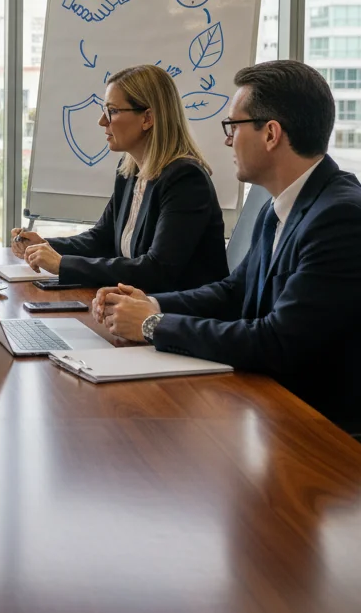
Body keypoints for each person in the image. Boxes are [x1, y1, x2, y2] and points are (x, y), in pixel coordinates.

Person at [94, 60, 361, 435]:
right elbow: (235, 291)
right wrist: (151, 304)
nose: (226, 139)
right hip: (266, 404)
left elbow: (276, 340)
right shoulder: (280, 205)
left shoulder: (339, 217)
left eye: (232, 126)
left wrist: (153, 325)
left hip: (317, 430)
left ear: (271, 134)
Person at [11, 64, 227, 292]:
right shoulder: (130, 170)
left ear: (148, 118)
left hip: (182, 318)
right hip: (138, 307)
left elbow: (158, 270)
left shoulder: (186, 180)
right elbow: (101, 240)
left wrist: (62, 264)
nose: (102, 121)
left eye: (112, 111)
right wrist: (44, 245)